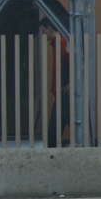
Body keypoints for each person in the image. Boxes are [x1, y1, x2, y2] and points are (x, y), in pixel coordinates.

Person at [40, 18, 70, 147]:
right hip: (61, 91)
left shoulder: (61, 43)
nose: (43, 34)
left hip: (64, 91)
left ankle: (50, 149)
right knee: (57, 124)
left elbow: (77, 62)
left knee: (56, 125)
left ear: (49, 28)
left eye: (43, 31)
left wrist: (72, 82)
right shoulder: (58, 42)